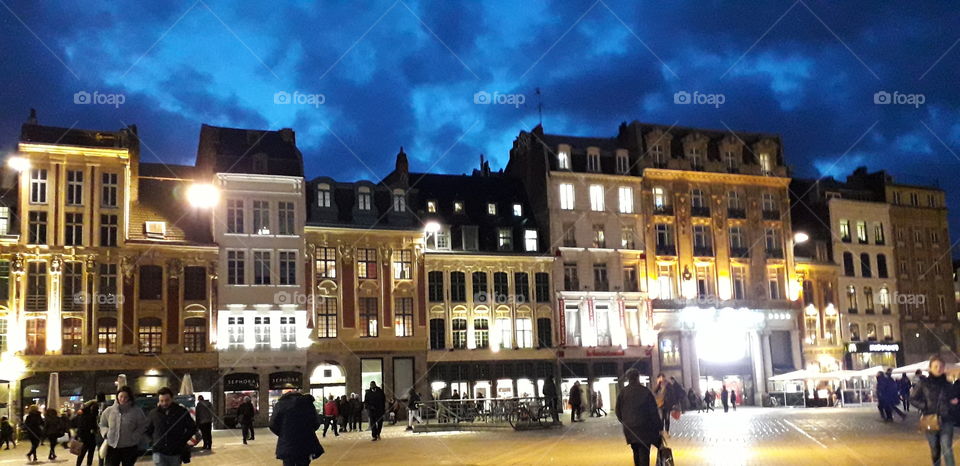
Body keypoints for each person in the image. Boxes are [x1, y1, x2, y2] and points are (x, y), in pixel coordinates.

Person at [911, 355, 959, 466]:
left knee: (947, 447)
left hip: (946, 419)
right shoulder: (923, 383)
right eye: (936, 366)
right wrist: (925, 406)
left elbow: (953, 400)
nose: (938, 368)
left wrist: (954, 403)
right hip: (930, 419)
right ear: (930, 368)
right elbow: (913, 399)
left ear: (944, 368)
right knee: (935, 450)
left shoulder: (948, 384)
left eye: (941, 366)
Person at [616, 369, 664, 466]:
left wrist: (626, 422)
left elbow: (618, 411)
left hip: (630, 429)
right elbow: (653, 412)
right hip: (645, 428)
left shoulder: (623, 393)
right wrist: (659, 427)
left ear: (628, 378)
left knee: (635, 450)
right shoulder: (646, 392)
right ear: (638, 377)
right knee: (644, 452)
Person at [145, 387, 197, 466]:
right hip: (159, 452)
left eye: (167, 400)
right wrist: (153, 442)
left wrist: (182, 441)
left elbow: (192, 427)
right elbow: (147, 430)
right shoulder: (153, 413)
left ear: (172, 399)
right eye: (161, 400)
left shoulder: (181, 411)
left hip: (175, 452)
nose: (164, 403)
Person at [270, 391, 323, 466]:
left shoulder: (280, 405)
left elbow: (272, 424)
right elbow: (316, 422)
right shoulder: (307, 404)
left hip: (287, 442)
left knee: (288, 463)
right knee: (303, 462)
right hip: (305, 442)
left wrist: (283, 433)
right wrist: (308, 431)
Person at [99, 385, 148, 466]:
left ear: (129, 397)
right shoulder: (109, 411)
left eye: (126, 397)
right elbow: (102, 424)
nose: (123, 399)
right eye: (121, 396)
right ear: (117, 396)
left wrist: (135, 436)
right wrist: (106, 433)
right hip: (113, 447)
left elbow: (142, 426)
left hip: (130, 448)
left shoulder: (137, 411)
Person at [74, 401, 99, 466]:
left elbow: (77, 425)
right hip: (89, 438)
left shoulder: (81, 414)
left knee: (81, 454)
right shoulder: (91, 416)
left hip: (84, 438)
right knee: (89, 454)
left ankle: (78, 465)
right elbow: (94, 427)